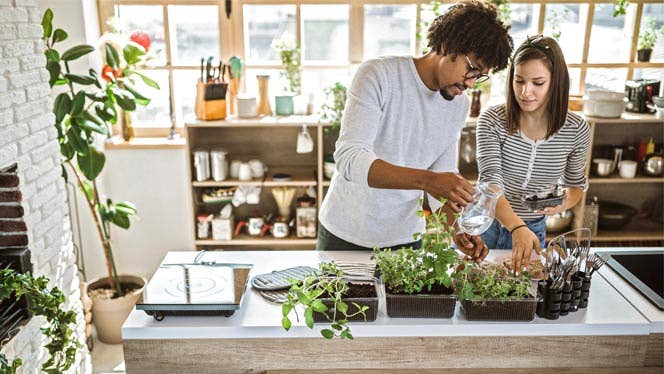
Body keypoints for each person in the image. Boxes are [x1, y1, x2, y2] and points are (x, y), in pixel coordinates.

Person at [317, 0, 513, 261]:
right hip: (345, 235)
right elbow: (350, 158)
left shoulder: (458, 105)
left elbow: (441, 177)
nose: (470, 82)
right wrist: (429, 180)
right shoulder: (378, 75)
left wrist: (455, 228)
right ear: (447, 45)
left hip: (406, 241)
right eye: (471, 69)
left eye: (480, 76)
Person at [476, 35, 591, 272]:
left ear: (556, 82)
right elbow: (490, 183)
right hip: (486, 225)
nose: (525, 92)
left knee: (521, 301)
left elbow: (576, 186)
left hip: (533, 230)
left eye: (538, 83)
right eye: (519, 81)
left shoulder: (576, 129)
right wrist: (516, 227)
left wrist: (559, 204)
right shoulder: (492, 121)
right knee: (476, 296)